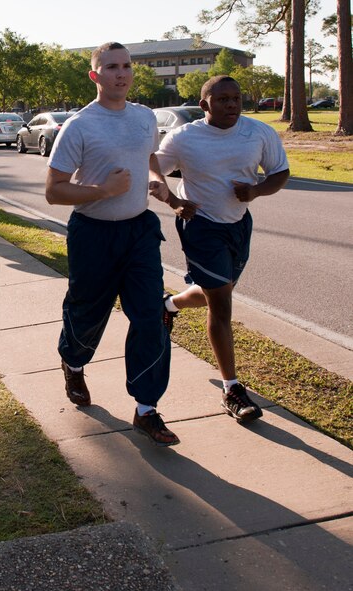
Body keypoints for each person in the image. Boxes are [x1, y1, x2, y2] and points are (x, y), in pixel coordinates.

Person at [45, 41, 196, 447]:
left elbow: (149, 160)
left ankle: (146, 408)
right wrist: (103, 189)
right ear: (95, 75)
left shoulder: (145, 117)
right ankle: (73, 362)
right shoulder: (80, 125)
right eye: (111, 66)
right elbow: (54, 192)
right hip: (93, 234)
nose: (121, 73)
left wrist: (159, 185)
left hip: (139, 232)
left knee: (150, 316)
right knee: (87, 312)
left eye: (126, 66)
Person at [156, 75, 290, 425]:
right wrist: (173, 201)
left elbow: (280, 172)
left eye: (236, 98)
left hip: (238, 225)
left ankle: (168, 305)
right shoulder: (186, 137)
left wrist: (257, 191)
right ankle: (232, 389)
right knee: (222, 303)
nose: (232, 105)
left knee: (215, 292)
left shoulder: (258, 133)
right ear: (205, 105)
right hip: (200, 226)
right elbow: (153, 168)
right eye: (223, 99)